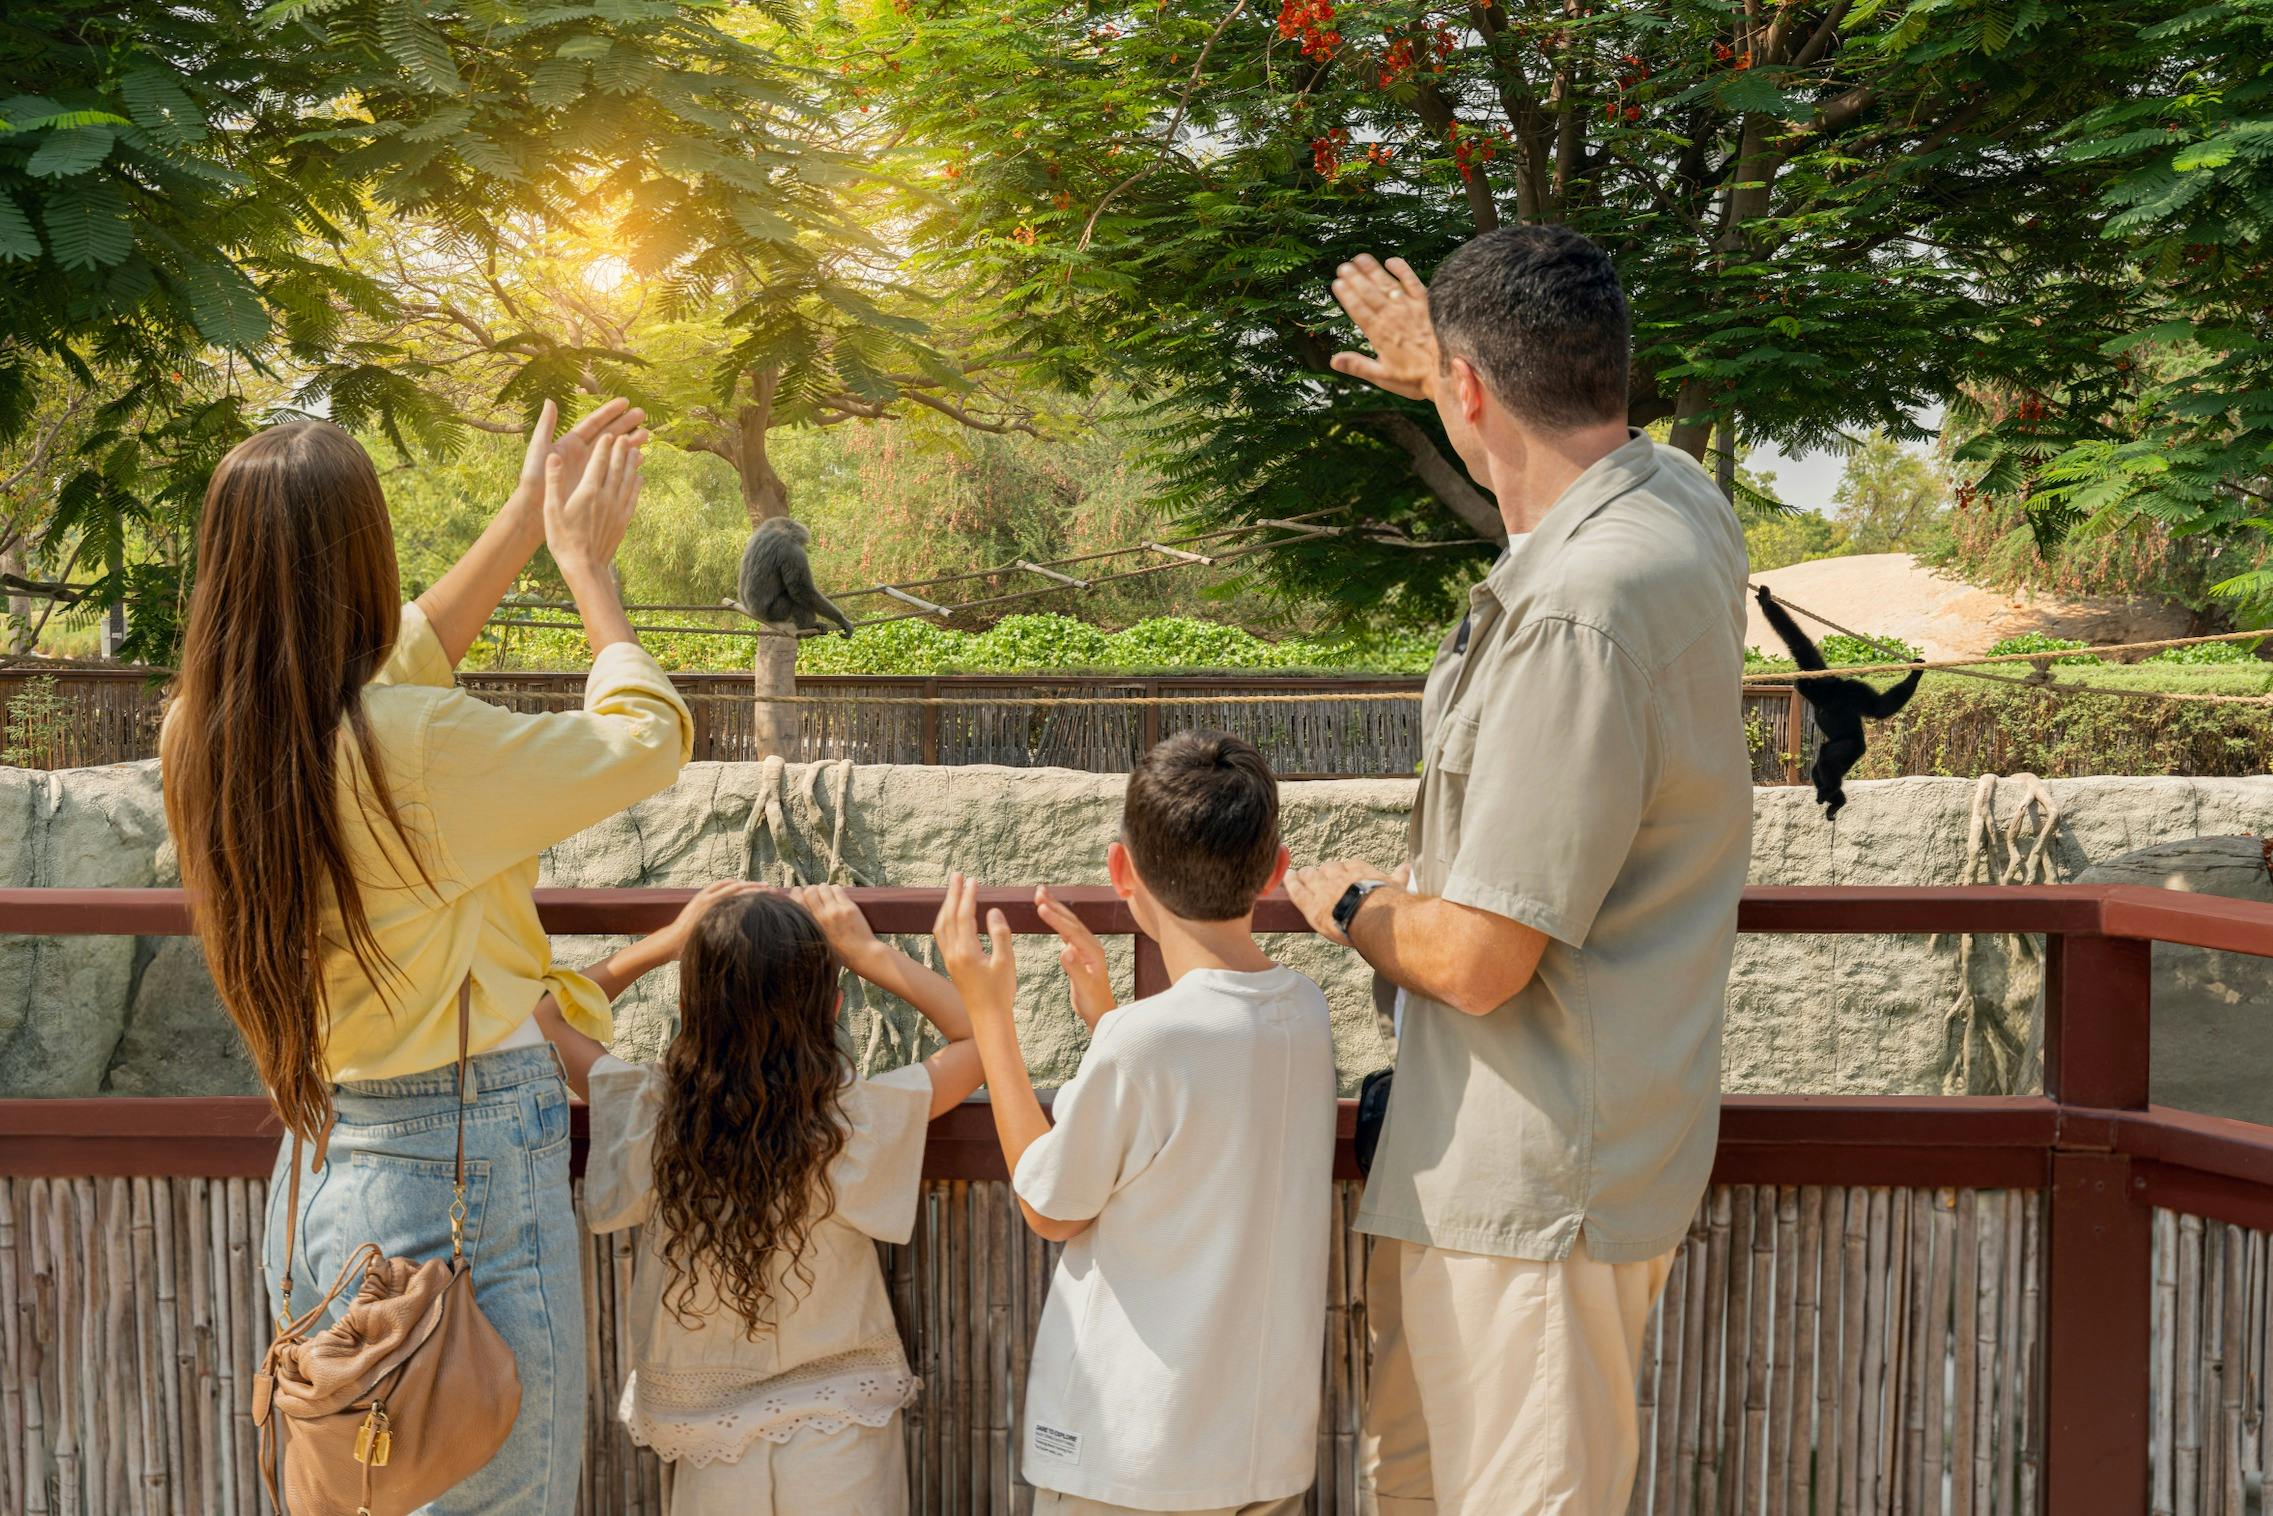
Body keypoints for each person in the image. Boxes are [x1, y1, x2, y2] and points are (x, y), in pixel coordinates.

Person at [1282, 228, 1753, 1513]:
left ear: (1473, 388)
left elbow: (1480, 959)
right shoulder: (1677, 504)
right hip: (1566, 1156)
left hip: (1531, 1180)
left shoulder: (1572, 612)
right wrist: (1449, 374)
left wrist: (1352, 904)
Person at [161, 400, 689, 1516]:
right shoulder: (409, 747)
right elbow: (646, 741)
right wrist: (587, 571)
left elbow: (406, 649)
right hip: (461, 1169)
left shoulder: (210, 730)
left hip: (321, 1171)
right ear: (363, 551)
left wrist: (523, 513)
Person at [937, 732, 1337, 1516]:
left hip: (1135, 1453)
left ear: (1120, 870)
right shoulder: (1305, 1010)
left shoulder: (1146, 1040)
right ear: (1276, 869)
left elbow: (1050, 1207)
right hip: (1258, 1451)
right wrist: (1109, 1028)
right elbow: (1199, 1106)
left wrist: (990, 1016)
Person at [533, 883, 985, 1516]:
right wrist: (867, 953)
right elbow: (979, 1037)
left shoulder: (652, 1113)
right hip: (842, 1420)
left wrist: (665, 943)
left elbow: (544, 1018)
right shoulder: (849, 1119)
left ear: (691, 1007)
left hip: (708, 1432)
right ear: (830, 1008)